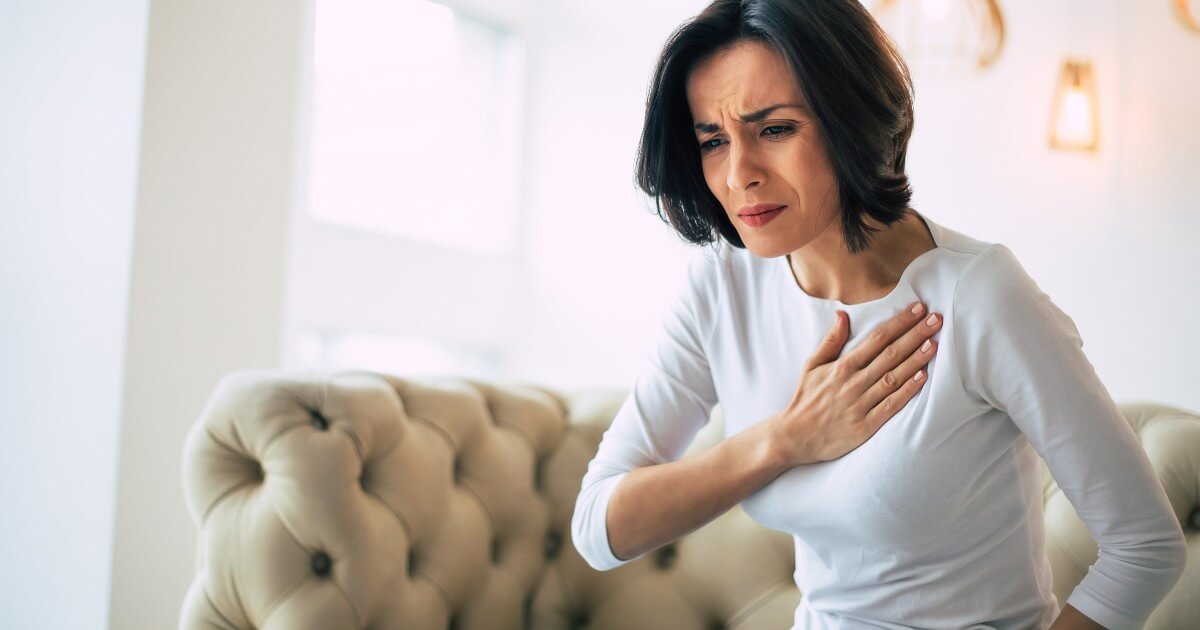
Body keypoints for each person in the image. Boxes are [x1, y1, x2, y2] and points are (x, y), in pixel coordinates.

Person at [570, 1, 1187, 629]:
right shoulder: (723, 287)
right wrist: (785, 440)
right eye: (713, 141)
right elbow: (598, 527)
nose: (739, 175)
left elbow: (1144, 547)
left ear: (851, 119)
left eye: (775, 129)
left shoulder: (979, 295)